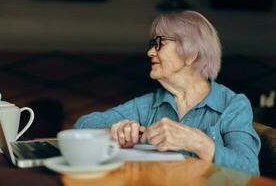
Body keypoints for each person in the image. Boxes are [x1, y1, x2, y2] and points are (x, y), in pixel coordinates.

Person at [73, 10, 261, 175]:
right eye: (151, 44)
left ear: (191, 54)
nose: (150, 52)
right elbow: (82, 126)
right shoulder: (149, 105)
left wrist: (198, 142)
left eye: (159, 43)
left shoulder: (232, 105)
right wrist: (113, 132)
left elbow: (250, 170)